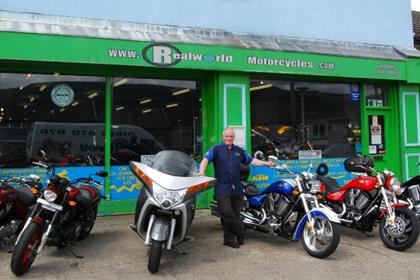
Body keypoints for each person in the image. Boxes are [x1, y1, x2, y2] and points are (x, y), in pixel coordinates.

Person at [198, 127, 273, 248]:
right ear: (223, 137)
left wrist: (265, 163)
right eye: (227, 136)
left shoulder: (239, 151)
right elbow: (205, 160)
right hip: (222, 187)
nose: (229, 138)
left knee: (235, 214)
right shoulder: (216, 149)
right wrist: (201, 172)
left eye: (231, 136)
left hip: (237, 188)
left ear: (234, 138)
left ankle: (228, 239)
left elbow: (252, 160)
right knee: (227, 212)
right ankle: (240, 230)